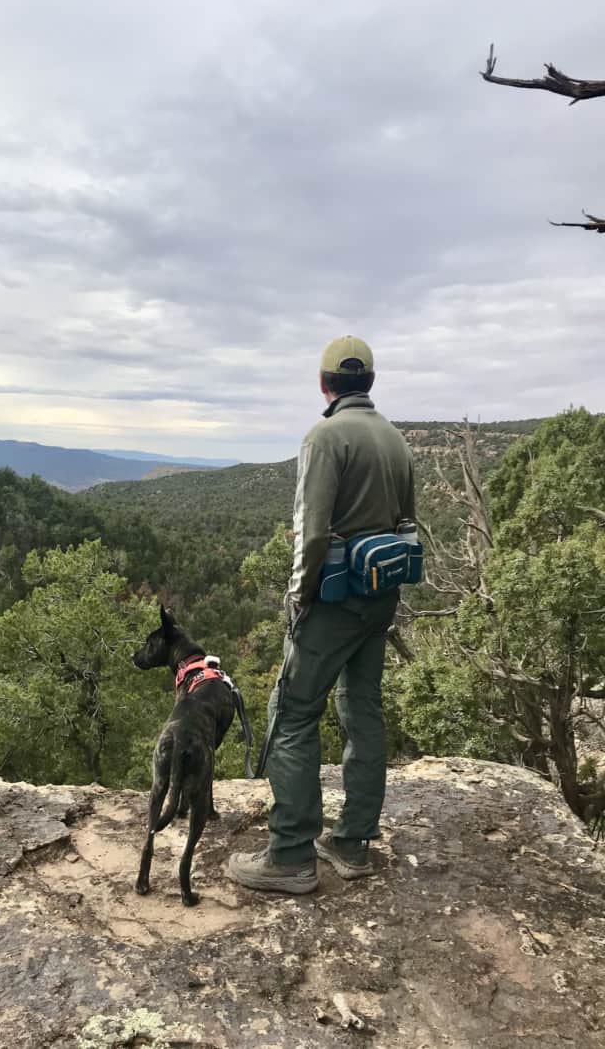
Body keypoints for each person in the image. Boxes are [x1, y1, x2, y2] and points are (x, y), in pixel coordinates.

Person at [227, 335, 415, 894]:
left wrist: (297, 597)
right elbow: (407, 527)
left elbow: (312, 534)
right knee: (362, 708)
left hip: (333, 600)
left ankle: (290, 854)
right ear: (371, 383)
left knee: (292, 714)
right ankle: (353, 843)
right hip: (380, 597)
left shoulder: (325, 437)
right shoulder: (397, 442)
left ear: (324, 383)